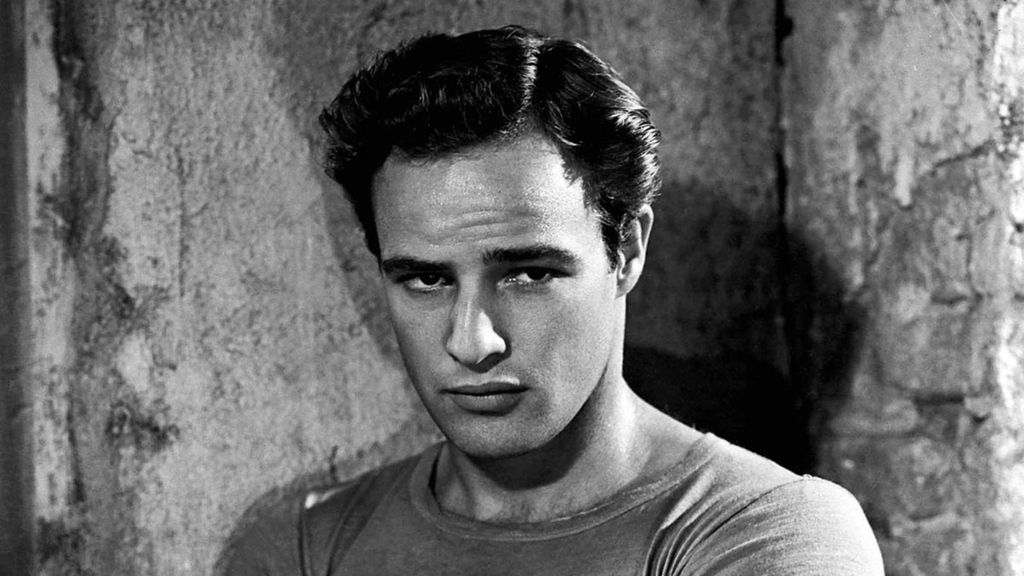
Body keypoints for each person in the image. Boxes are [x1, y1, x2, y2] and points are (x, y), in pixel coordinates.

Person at [224, 26, 883, 575]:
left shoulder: (765, 531)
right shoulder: (303, 547)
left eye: (528, 273)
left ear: (626, 250)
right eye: (425, 280)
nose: (472, 342)